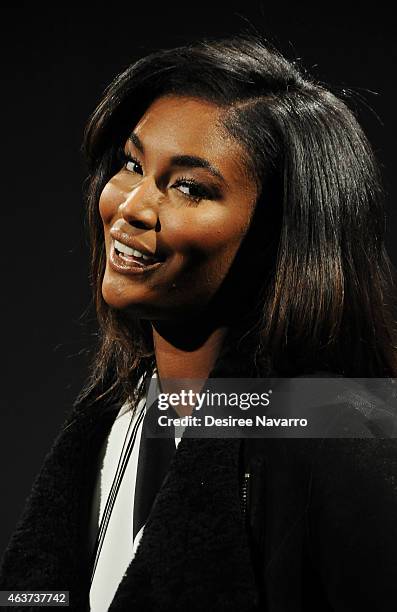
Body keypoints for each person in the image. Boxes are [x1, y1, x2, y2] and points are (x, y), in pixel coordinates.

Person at [1, 34, 397, 611]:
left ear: (283, 237)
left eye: (189, 188)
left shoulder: (339, 437)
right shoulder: (115, 418)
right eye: (132, 164)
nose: (131, 205)